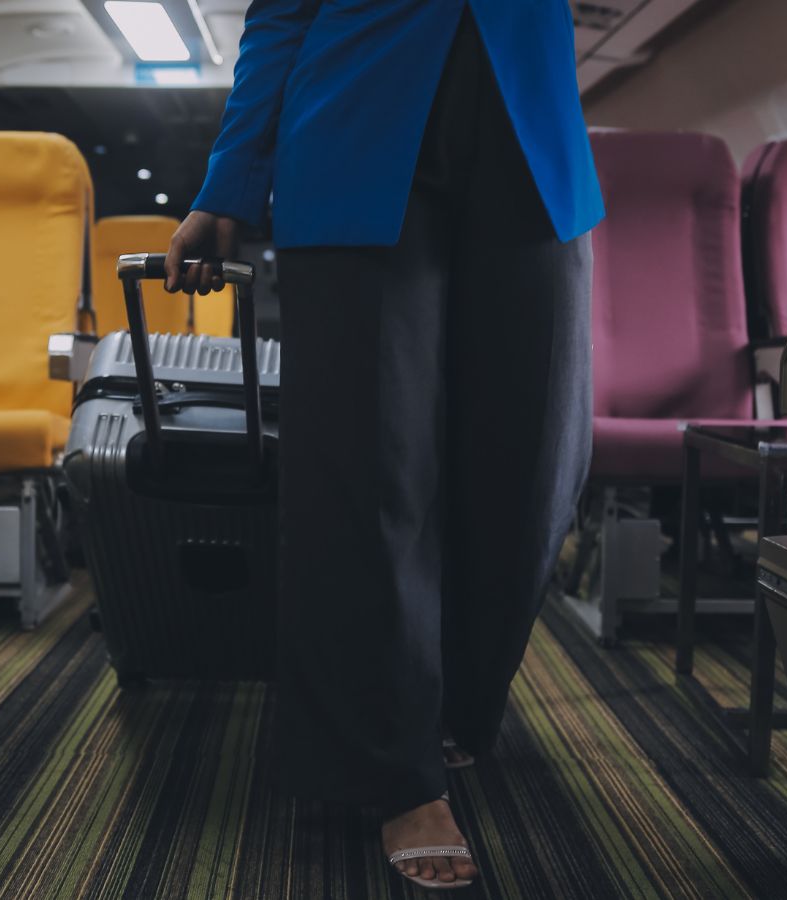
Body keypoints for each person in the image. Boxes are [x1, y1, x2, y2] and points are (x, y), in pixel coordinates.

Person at [166, 0, 603, 890]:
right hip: (354, 128)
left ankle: (454, 702)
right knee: (370, 469)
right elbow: (282, 14)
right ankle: (393, 766)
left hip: (533, 136)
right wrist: (231, 179)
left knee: (535, 463)